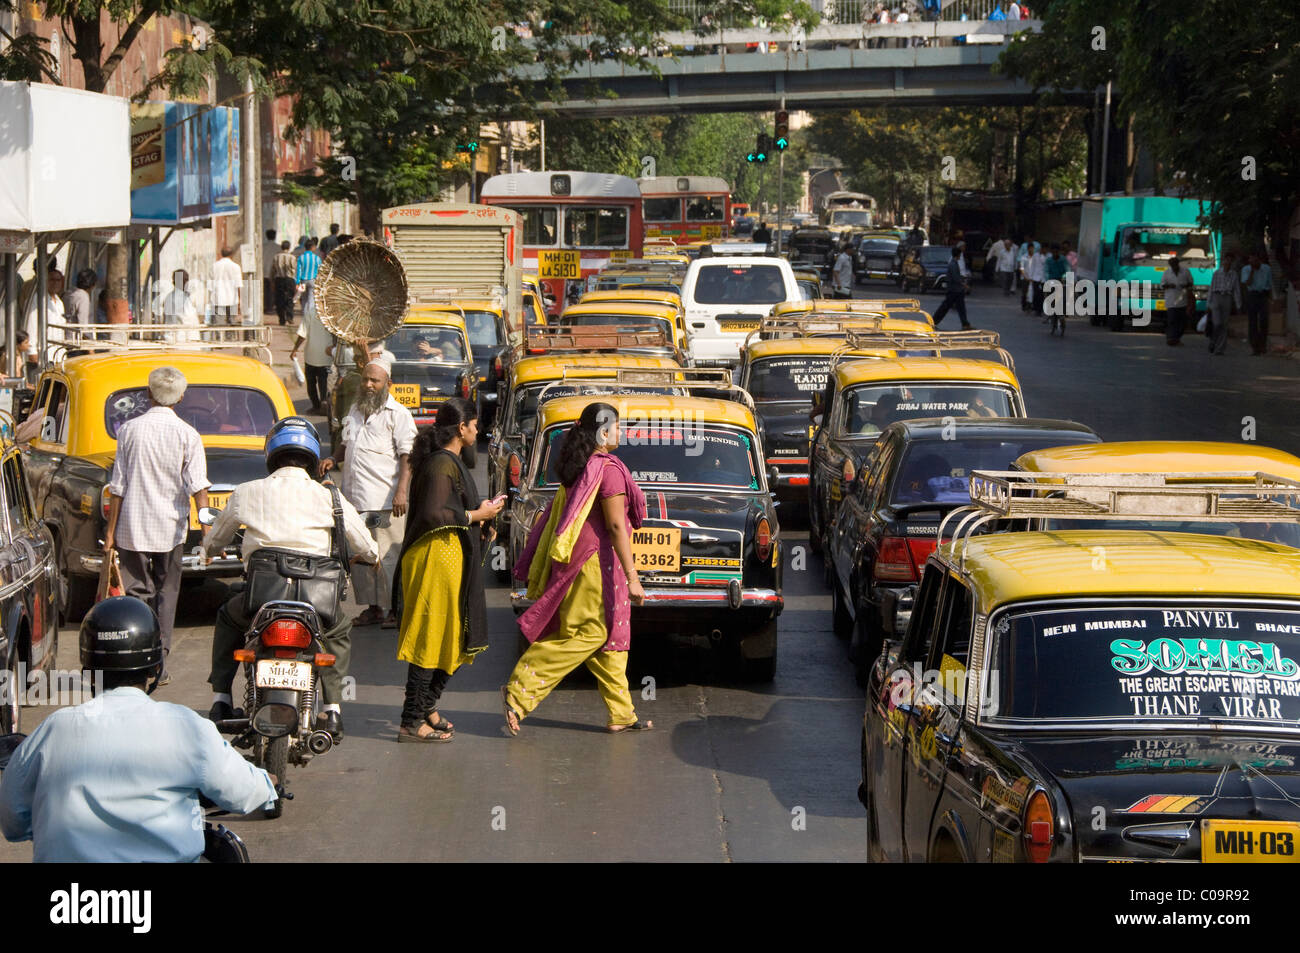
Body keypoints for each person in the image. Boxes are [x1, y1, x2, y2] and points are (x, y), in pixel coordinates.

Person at [0, 596, 277, 862]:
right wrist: (268, 784)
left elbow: (12, 820)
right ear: (156, 669)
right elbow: (243, 792)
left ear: (88, 670)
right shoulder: (187, 727)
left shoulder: (54, 729)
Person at [203, 417, 378, 740]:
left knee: (228, 617)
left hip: (262, 599)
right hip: (317, 603)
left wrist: (209, 550)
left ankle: (221, 700)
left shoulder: (247, 492)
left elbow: (214, 541)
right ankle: (333, 709)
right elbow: (366, 546)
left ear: (272, 453)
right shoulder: (330, 498)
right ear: (312, 456)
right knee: (338, 630)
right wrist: (372, 557)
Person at [504, 402, 652, 735]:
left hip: (585, 560)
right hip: (592, 564)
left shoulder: (582, 464)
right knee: (591, 633)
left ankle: (622, 713)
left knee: (609, 639)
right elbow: (615, 526)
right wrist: (633, 578)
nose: (621, 432)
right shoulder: (609, 469)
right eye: (617, 426)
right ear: (602, 431)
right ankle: (519, 689)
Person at [394, 399, 504, 742]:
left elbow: (450, 507)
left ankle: (426, 706)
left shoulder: (447, 461)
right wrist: (476, 517)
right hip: (434, 560)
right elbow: (433, 513)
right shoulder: (442, 464)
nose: (478, 430)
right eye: (475, 424)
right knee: (430, 638)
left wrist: (482, 517)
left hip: (447, 559)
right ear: (461, 428)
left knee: (452, 637)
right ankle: (411, 721)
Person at [104, 367, 209, 685]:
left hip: (131, 527)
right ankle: (158, 661)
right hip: (170, 527)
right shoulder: (187, 434)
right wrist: (207, 534)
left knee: (137, 593)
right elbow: (198, 488)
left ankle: (136, 656)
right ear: (179, 397)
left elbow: (117, 486)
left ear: (148, 395)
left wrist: (109, 535)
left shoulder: (129, 430)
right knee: (167, 592)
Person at [320, 352, 415, 629]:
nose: (368, 385)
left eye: (375, 380)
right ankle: (373, 609)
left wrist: (402, 492)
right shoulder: (355, 409)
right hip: (356, 500)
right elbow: (347, 442)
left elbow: (407, 455)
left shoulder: (398, 415)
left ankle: (396, 609)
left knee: (389, 558)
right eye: (365, 379)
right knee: (363, 557)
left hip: (386, 500)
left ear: (388, 383)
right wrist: (334, 458)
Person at [289, 292, 335, 413]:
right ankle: (324, 405)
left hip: (310, 356)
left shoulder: (311, 311)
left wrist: (295, 349)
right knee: (324, 384)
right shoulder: (333, 315)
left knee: (311, 384)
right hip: (327, 357)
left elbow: (302, 334)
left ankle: (316, 406)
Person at [22, 267, 65, 374]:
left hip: (58, 357)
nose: (55, 283)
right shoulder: (36, 300)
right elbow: (30, 326)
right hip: (41, 358)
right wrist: (32, 353)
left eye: (58, 280)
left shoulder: (59, 302)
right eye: (52, 280)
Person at [1207, 250, 1241, 356]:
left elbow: (1236, 290)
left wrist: (1238, 304)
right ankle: (1213, 341)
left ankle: (1220, 348)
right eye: (1227, 260)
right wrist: (1208, 303)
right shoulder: (1217, 273)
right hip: (1216, 297)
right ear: (1223, 261)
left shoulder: (1234, 274)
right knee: (1217, 323)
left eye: (1230, 261)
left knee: (1224, 325)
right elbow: (1211, 288)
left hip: (1227, 298)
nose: (1228, 263)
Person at [930, 246, 973, 330]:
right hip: (954, 290)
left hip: (957, 290)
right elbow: (956, 278)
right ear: (958, 255)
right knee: (945, 307)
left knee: (960, 308)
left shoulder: (954, 263)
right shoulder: (953, 264)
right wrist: (965, 285)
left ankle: (965, 324)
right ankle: (933, 321)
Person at [1241, 252, 1273, 355]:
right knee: (1253, 321)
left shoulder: (1266, 269)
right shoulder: (1246, 269)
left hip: (1263, 295)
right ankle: (1255, 347)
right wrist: (1252, 271)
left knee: (1264, 320)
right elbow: (1247, 283)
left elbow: (1269, 283)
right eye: (1251, 261)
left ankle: (1262, 345)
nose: (1253, 263)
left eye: (1255, 260)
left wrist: (1270, 297)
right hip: (1252, 294)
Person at [1161, 254, 1193, 345]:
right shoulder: (1166, 273)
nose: (1174, 267)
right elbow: (1162, 284)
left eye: (1175, 265)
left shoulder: (1186, 272)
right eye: (1172, 265)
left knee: (1182, 322)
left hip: (1182, 301)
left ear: (1178, 264)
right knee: (1172, 320)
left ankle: (1177, 338)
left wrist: (1185, 286)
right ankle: (1171, 338)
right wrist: (1169, 286)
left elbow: (1191, 283)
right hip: (1171, 301)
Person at [212, 246, 242, 330]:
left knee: (219, 324)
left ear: (221, 254)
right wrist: (239, 300)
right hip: (232, 299)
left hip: (218, 298)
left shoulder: (214, 266)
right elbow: (238, 284)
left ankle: (220, 340)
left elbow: (210, 284)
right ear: (232, 254)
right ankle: (230, 339)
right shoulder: (236, 267)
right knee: (232, 323)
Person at [271, 240, 298, 326]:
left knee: (279, 299)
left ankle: (281, 319)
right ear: (289, 247)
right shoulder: (292, 257)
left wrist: (272, 281)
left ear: (281, 247)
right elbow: (295, 269)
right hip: (290, 280)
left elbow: (273, 270)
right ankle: (289, 317)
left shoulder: (276, 257)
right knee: (290, 298)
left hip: (279, 279)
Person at [1043, 244, 1068, 333]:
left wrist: (1064, 278)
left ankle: (1062, 316)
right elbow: (1046, 271)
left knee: (1063, 300)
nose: (1055, 253)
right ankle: (1051, 318)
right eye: (1053, 252)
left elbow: (1067, 270)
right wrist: (1047, 281)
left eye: (1057, 251)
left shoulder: (1063, 260)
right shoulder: (1048, 260)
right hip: (1051, 282)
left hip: (1061, 282)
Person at [296, 237, 322, 316]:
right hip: (313, 281)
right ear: (312, 247)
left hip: (303, 281)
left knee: (304, 299)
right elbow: (320, 270)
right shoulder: (316, 258)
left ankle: (304, 315)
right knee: (311, 299)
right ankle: (310, 317)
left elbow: (298, 271)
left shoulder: (301, 258)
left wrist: (297, 282)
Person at [262, 228, 279, 316]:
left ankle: (265, 307)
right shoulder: (278, 247)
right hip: (273, 273)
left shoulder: (262, 247)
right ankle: (270, 307)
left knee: (264, 291)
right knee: (272, 291)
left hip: (263, 272)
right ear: (275, 236)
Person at [1027, 242, 1047, 316]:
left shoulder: (1048, 256)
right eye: (1043, 248)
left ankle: (1040, 309)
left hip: (1044, 278)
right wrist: (1030, 276)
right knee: (1036, 294)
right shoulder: (1036, 255)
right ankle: (1035, 308)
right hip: (1035, 277)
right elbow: (1032, 266)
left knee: (1041, 294)